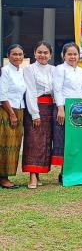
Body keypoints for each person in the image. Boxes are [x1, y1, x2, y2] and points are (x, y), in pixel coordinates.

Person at [22, 41, 55, 189]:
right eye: (39, 52)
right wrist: (35, 113)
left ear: (50, 55)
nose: (42, 55)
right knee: (34, 140)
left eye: (45, 52)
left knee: (46, 141)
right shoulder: (29, 69)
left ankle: (40, 172)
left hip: (51, 107)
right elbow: (30, 91)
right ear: (34, 53)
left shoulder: (54, 69)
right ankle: (32, 175)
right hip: (35, 106)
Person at [53, 42, 82, 181]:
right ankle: (64, 172)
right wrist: (60, 109)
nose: (72, 57)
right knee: (66, 140)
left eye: (75, 54)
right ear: (63, 55)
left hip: (81, 109)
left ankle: (77, 170)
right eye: (69, 54)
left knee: (79, 141)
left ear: (79, 56)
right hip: (66, 108)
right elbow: (57, 89)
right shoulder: (60, 69)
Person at [0, 44, 27, 189]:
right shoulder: (5, 71)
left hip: (20, 109)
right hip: (7, 111)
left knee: (15, 145)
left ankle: (7, 176)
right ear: (8, 56)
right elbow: (2, 94)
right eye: (14, 54)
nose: (17, 57)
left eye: (20, 54)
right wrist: (11, 114)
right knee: (5, 145)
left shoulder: (21, 72)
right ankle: (3, 178)